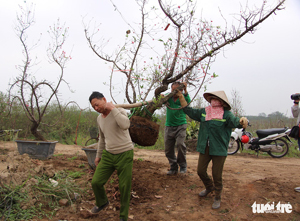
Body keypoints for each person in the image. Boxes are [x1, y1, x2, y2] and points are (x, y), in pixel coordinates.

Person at [176, 90, 248, 209]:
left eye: (216, 99)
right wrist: (181, 98)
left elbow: (235, 121)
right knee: (200, 171)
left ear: (222, 102)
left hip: (219, 149)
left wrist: (242, 121)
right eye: (212, 98)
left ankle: (217, 197)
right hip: (205, 147)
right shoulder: (204, 112)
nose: (213, 101)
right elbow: (190, 111)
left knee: (217, 175)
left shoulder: (226, 114)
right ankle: (209, 187)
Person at [89, 91, 134, 221]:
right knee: (96, 182)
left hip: (125, 154)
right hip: (109, 155)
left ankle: (123, 216)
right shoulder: (99, 119)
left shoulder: (119, 111)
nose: (96, 109)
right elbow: (102, 138)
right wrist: (98, 155)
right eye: (93, 107)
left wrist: (113, 109)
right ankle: (102, 202)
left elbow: (125, 125)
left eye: (97, 105)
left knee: (124, 187)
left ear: (104, 99)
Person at [164, 82, 191, 175]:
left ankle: (183, 165)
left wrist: (185, 91)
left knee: (180, 144)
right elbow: (160, 100)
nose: (174, 92)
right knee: (168, 149)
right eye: (173, 89)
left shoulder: (184, 97)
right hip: (169, 125)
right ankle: (173, 167)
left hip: (181, 125)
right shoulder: (168, 98)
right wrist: (160, 96)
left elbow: (188, 105)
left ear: (181, 90)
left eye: (177, 90)